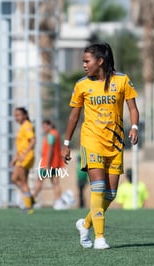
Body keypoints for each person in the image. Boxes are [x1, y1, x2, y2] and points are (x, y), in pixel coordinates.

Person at [61, 43, 140, 249]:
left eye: (87, 61)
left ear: (100, 61)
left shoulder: (122, 80)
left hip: (115, 143)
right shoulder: (81, 85)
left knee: (111, 194)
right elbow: (74, 116)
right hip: (91, 141)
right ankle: (100, 237)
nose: (84, 65)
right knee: (98, 188)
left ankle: (85, 223)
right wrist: (66, 143)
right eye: (83, 62)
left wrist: (134, 127)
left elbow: (132, 107)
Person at [32, 120, 67, 210]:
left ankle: (31, 200)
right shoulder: (55, 134)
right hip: (55, 164)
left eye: (44, 126)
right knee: (55, 183)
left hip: (47, 164)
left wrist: (47, 164)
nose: (43, 129)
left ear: (49, 125)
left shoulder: (51, 135)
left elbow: (50, 150)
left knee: (39, 181)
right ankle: (58, 202)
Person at [10, 107, 36, 213]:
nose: (16, 117)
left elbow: (33, 141)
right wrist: (15, 158)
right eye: (15, 115)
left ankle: (29, 206)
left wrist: (24, 155)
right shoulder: (22, 127)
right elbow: (21, 145)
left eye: (19, 115)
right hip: (21, 157)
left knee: (22, 181)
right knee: (15, 179)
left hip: (26, 157)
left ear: (25, 115)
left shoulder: (27, 126)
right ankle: (29, 199)